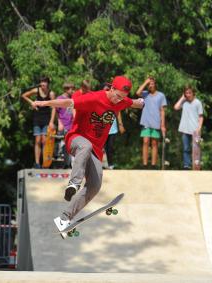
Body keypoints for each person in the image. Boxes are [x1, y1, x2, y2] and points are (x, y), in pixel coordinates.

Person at [32, 76, 144, 239]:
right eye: (116, 95)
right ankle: (74, 182)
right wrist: (44, 103)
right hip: (76, 139)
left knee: (95, 185)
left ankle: (64, 219)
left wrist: (141, 102)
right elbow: (68, 103)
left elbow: (132, 103)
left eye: (121, 97)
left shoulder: (121, 101)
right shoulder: (94, 98)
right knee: (86, 145)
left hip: (95, 150)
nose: (117, 100)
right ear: (111, 89)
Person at [22, 77, 56, 168]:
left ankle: (45, 163)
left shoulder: (51, 93)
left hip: (46, 119)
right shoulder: (36, 90)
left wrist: (52, 122)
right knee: (37, 140)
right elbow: (24, 95)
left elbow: (53, 108)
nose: (43, 84)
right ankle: (37, 163)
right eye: (41, 82)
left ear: (48, 83)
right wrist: (32, 103)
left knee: (44, 141)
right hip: (37, 118)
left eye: (44, 82)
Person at [136, 77, 167, 169]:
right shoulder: (145, 94)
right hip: (146, 122)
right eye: (149, 84)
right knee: (145, 142)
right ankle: (145, 164)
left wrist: (163, 125)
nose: (150, 85)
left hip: (156, 122)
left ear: (155, 84)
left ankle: (153, 165)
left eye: (152, 83)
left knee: (154, 143)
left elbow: (162, 111)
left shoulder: (161, 95)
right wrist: (145, 82)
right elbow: (137, 92)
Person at [174, 85, 204, 169]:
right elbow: (176, 107)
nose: (188, 94)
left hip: (195, 129)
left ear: (193, 93)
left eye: (189, 93)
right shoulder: (184, 102)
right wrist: (182, 98)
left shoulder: (197, 102)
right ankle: (187, 165)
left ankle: (196, 164)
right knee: (186, 148)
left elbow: (201, 116)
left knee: (196, 149)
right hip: (185, 129)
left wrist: (199, 128)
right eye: (186, 93)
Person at [102, 82, 125, 169]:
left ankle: (110, 164)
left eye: (108, 90)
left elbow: (118, 112)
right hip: (101, 128)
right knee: (101, 147)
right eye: (105, 90)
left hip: (112, 128)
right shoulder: (99, 99)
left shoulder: (114, 100)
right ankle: (101, 164)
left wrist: (120, 124)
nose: (106, 91)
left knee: (110, 147)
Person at [56, 82, 75, 168]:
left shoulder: (72, 99)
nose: (73, 91)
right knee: (64, 145)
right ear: (66, 89)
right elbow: (56, 112)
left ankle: (70, 164)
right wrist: (59, 123)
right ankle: (65, 163)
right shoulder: (60, 99)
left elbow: (73, 112)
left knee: (71, 145)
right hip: (63, 125)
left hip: (71, 125)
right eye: (71, 89)